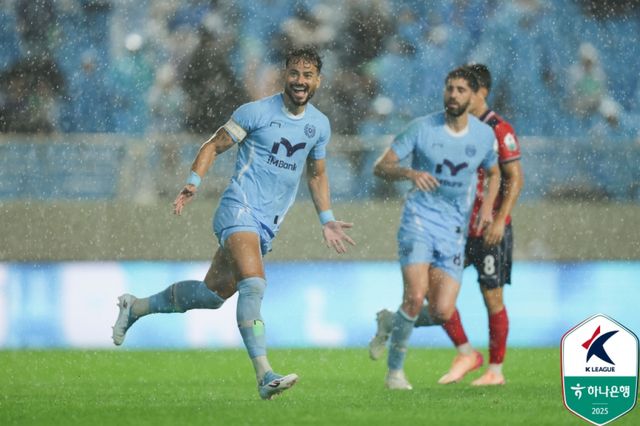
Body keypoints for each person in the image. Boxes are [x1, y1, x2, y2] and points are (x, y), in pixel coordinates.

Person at [111, 46, 355, 400]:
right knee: (253, 285)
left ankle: (135, 307)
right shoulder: (255, 112)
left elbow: (316, 174)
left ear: (318, 80)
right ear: (284, 75)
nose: (300, 81)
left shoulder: (319, 125)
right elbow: (214, 145)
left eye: (308, 75)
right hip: (239, 209)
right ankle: (264, 375)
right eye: (294, 73)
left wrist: (327, 219)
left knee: (212, 294)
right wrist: (193, 181)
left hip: (266, 225)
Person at [369, 64, 523, 387]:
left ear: (480, 93)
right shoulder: (426, 128)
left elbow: (506, 176)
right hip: (430, 223)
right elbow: (382, 166)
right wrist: (410, 174)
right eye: (450, 88)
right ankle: (407, 369)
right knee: (419, 296)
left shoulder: (493, 132)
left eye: (462, 90)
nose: (454, 95)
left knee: (460, 305)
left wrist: (493, 215)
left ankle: (494, 369)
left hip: (474, 229)